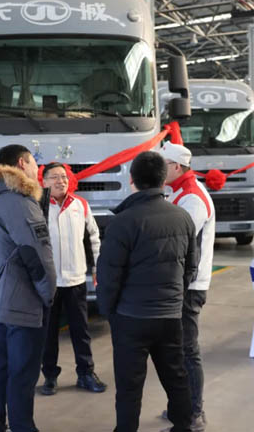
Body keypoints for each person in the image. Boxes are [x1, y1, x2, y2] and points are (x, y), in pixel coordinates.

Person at [97, 151, 199, 432]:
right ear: (163, 180)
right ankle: (183, 426)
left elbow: (108, 276)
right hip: (170, 317)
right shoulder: (182, 217)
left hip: (131, 317)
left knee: (129, 385)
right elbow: (191, 266)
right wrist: (175, 298)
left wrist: (109, 312)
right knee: (176, 377)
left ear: (132, 180)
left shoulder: (122, 222)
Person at [0, 144, 57, 432]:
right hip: (22, 299)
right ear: (22, 164)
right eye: (34, 163)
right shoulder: (20, 202)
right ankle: (23, 427)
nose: (37, 170)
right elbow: (37, 255)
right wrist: (48, 294)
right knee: (23, 372)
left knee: (4, 363)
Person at [160, 142, 216, 432]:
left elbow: (179, 243)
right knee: (176, 350)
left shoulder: (192, 197)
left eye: (162, 165)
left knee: (187, 350)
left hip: (189, 286)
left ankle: (194, 412)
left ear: (176, 167)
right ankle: (181, 406)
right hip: (180, 282)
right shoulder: (178, 192)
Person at [39, 162, 106, 396]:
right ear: (44, 181)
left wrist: (98, 267)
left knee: (81, 331)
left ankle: (86, 373)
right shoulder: (37, 206)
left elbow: (94, 237)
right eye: (55, 177)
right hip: (48, 282)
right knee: (48, 333)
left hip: (75, 280)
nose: (61, 181)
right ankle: (49, 376)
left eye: (64, 177)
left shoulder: (80, 205)